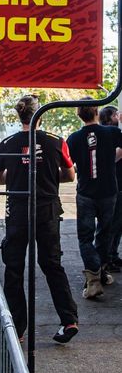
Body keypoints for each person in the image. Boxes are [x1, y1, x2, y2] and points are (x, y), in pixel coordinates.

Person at [0, 95, 79, 344]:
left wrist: (21, 171)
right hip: (47, 209)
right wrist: (46, 174)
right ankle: (68, 319)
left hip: (18, 210)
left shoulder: (7, 143)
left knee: (14, 267)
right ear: (40, 115)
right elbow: (70, 175)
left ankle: (16, 329)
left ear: (19, 116)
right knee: (52, 264)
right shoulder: (55, 142)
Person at [67, 100, 122, 298]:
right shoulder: (112, 133)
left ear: (78, 114)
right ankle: (99, 273)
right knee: (105, 233)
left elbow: (67, 167)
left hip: (86, 192)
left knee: (85, 237)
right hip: (108, 191)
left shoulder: (73, 139)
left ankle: (94, 277)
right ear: (97, 112)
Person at [98, 105, 122, 271]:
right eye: (116, 115)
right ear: (108, 118)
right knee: (112, 224)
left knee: (118, 224)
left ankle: (112, 255)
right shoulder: (108, 134)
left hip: (118, 184)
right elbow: (114, 157)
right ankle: (107, 258)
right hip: (113, 186)